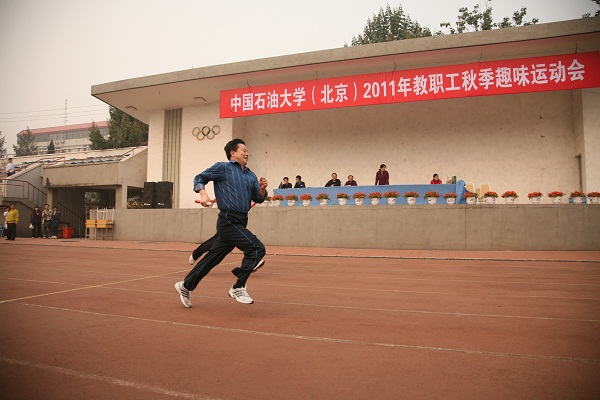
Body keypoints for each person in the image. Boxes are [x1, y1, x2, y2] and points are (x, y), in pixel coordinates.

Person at [175, 138, 268, 307]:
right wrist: (203, 194)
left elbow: (258, 198)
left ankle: (186, 285)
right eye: (244, 150)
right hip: (228, 219)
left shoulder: (250, 175)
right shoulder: (223, 168)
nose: (247, 153)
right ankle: (238, 287)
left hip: (241, 220)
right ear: (233, 153)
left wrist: (262, 189)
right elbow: (199, 178)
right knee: (256, 248)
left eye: (247, 151)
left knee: (212, 259)